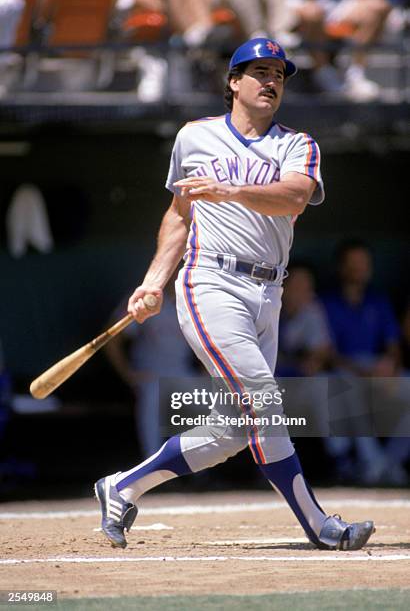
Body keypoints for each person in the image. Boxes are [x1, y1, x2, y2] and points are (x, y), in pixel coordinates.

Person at [95, 37, 375, 551]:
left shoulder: (298, 144)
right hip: (211, 282)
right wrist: (154, 282)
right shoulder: (195, 137)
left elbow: (293, 195)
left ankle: (122, 486)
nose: (271, 81)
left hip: (269, 293)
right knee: (265, 403)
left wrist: (233, 191)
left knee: (233, 430)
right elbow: (180, 216)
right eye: (259, 71)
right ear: (233, 81)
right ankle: (319, 527)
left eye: (279, 75)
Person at [321, 239, 403, 484]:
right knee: (346, 384)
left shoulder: (378, 300)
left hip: (379, 369)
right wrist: (362, 372)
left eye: (364, 263)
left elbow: (393, 347)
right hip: (345, 371)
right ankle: (371, 460)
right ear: (341, 267)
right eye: (353, 263)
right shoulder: (326, 303)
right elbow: (327, 355)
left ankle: (388, 463)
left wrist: (390, 368)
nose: (359, 269)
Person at [104, 277, 202, 458]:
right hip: (150, 371)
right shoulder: (145, 299)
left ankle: (199, 473)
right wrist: (127, 374)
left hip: (181, 370)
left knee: (201, 393)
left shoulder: (195, 302)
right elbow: (111, 340)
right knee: (153, 396)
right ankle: (152, 466)